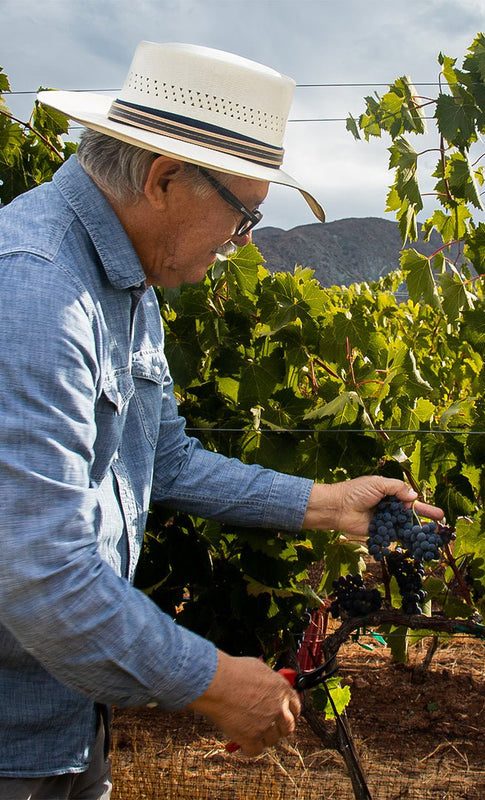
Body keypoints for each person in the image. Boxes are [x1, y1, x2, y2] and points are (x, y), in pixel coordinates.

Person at [0, 41, 442, 798]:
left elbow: (164, 459)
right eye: (242, 219)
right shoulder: (38, 292)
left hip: (63, 721)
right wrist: (211, 682)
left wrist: (324, 504)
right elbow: (38, 571)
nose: (241, 248)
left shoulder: (129, 285)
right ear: (165, 178)